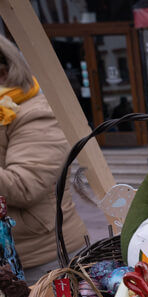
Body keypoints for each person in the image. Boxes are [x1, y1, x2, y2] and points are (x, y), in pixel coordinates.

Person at [0, 35, 87, 283]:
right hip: (11, 257)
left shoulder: (37, 113)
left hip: (39, 259)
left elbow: (24, 185)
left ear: (4, 74)